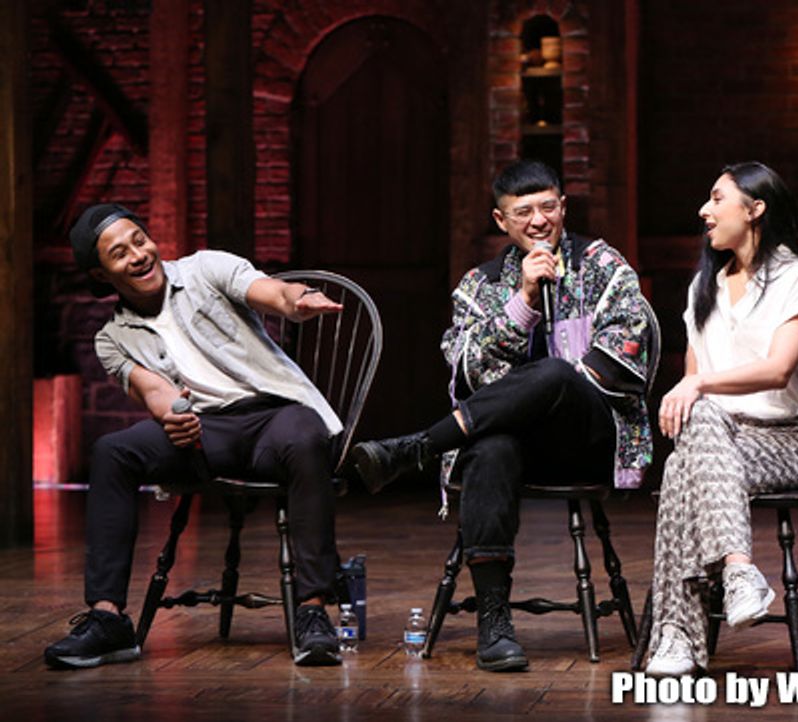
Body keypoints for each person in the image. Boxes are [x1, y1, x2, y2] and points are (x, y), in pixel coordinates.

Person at [350, 160, 654, 672]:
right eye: (524, 212)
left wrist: (555, 381)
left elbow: (625, 351)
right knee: (490, 449)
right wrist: (524, 301)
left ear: (563, 207)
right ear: (501, 220)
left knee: (557, 376)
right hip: (519, 446)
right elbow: (467, 369)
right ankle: (494, 621)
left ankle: (420, 446)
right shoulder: (480, 285)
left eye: (548, 207)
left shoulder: (603, 265)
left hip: (591, 435)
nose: (539, 221)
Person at [44, 204, 348, 669]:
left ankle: (313, 610)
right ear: (101, 275)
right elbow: (155, 392)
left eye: (140, 239)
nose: (139, 255)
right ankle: (107, 618)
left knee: (306, 435)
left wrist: (296, 299)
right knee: (112, 451)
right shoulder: (112, 338)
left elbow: (270, 291)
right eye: (119, 253)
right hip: (207, 433)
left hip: (272, 417)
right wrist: (174, 418)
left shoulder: (205, 269)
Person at [643, 162, 798, 677]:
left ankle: (679, 635)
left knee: (686, 462)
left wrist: (698, 385)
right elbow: (692, 389)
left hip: (787, 438)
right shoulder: (706, 285)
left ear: (755, 209)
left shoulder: (797, 276)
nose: (705, 210)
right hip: (719, 440)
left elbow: (778, 369)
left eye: (717, 198)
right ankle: (737, 572)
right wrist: (694, 390)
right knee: (688, 456)